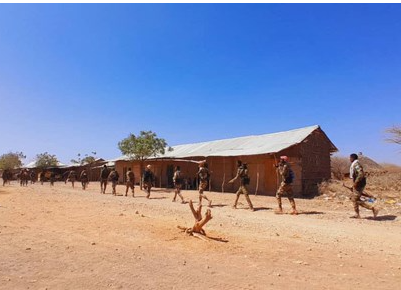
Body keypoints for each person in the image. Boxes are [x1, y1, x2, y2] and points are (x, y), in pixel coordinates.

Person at [349, 153, 379, 219]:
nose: (349, 159)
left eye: (350, 158)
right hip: (357, 184)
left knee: (355, 199)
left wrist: (356, 183)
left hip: (359, 184)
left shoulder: (356, 164)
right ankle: (357, 214)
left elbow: (361, 174)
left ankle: (373, 208)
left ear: (353, 158)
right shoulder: (354, 164)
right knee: (353, 198)